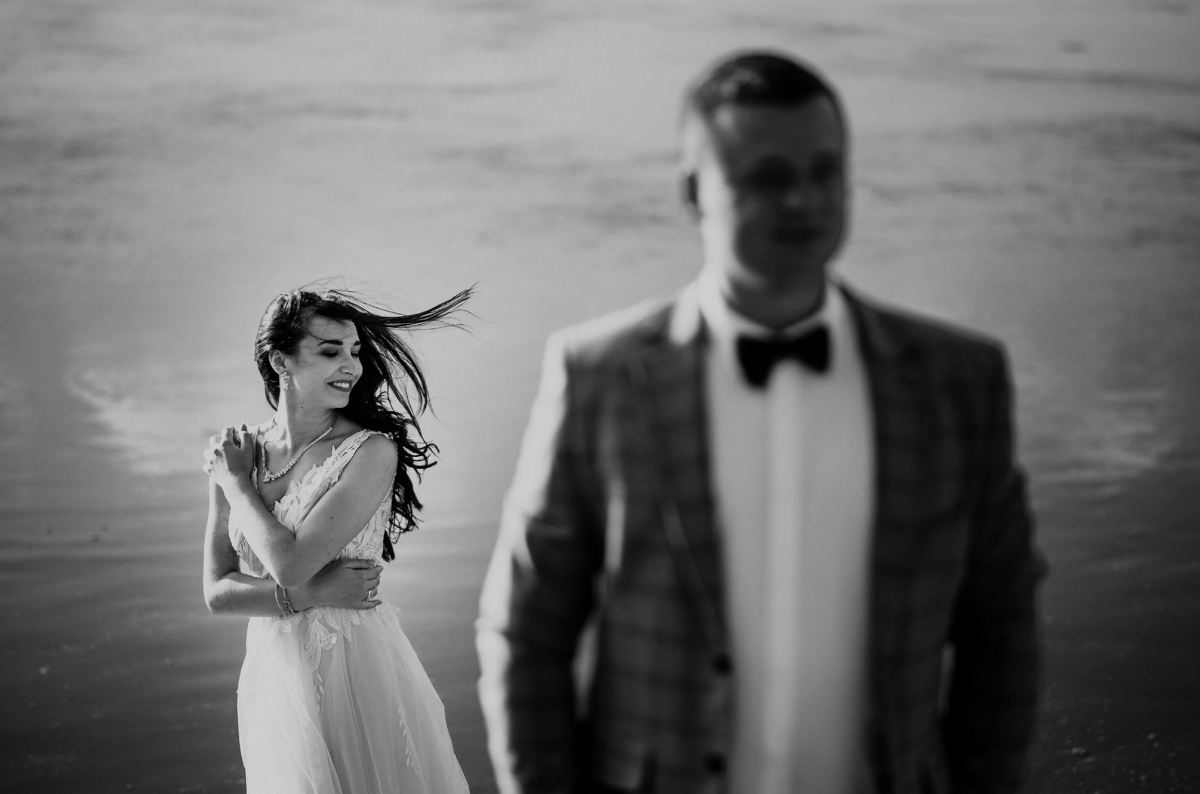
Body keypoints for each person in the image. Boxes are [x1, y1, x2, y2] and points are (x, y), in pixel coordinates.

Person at [476, 51, 1046, 794]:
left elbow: (1002, 629)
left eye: (825, 171)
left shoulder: (959, 382)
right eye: (769, 177)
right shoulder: (599, 377)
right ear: (693, 192)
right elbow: (527, 632)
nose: (804, 199)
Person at [201, 286, 472, 794]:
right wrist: (309, 595)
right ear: (280, 361)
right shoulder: (237, 454)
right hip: (275, 673)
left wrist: (237, 486)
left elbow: (291, 565)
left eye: (354, 351)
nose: (351, 366)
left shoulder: (370, 452)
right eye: (330, 352)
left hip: (352, 663)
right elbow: (217, 592)